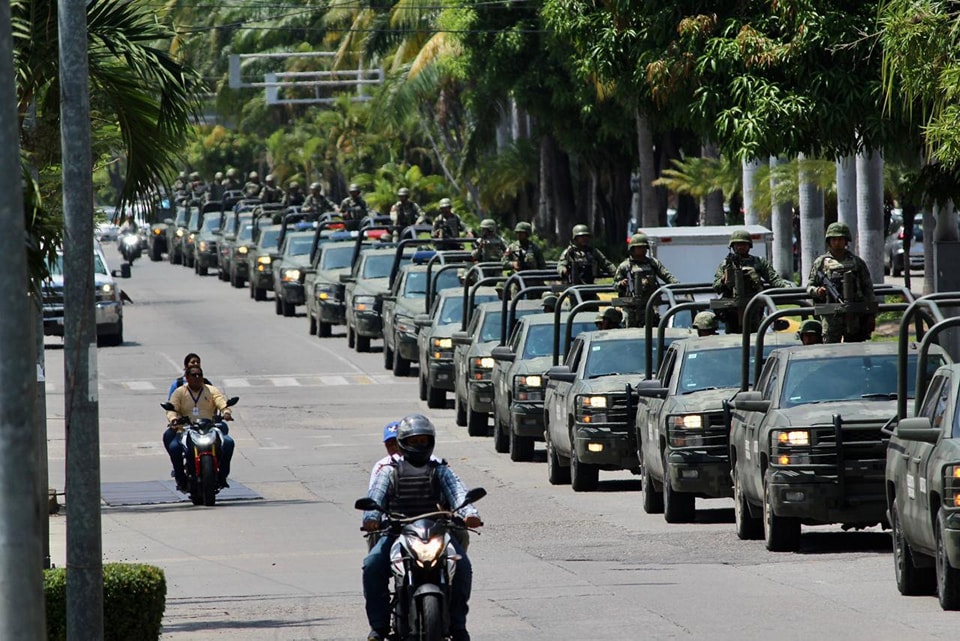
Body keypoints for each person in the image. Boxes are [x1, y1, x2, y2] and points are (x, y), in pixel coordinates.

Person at [362, 414, 482, 641]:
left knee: (463, 567)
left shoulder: (441, 470)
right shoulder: (388, 472)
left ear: (431, 442)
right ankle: (378, 627)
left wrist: (470, 514)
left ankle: (458, 626)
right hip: (398, 533)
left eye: (423, 441)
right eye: (414, 441)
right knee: (372, 565)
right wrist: (371, 517)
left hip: (437, 533)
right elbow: (375, 499)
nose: (419, 445)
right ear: (403, 443)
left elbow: (459, 495)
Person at [164, 365, 236, 490]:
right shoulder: (179, 392)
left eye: (199, 375)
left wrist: (226, 412)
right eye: (193, 375)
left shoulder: (211, 390)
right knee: (174, 447)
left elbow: (221, 402)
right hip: (186, 429)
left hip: (210, 428)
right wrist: (174, 419)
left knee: (229, 443)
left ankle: (222, 476)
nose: (197, 378)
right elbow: (172, 408)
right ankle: (181, 479)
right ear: (187, 377)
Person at [806, 222, 876, 343]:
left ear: (846, 240)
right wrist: (818, 291)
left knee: (855, 350)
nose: (837, 243)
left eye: (840, 239)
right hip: (831, 315)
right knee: (830, 351)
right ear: (829, 241)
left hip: (854, 314)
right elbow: (809, 286)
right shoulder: (821, 262)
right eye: (834, 239)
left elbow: (868, 289)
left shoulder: (856, 262)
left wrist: (871, 315)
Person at [712, 229, 791, 333]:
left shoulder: (758, 262)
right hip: (732, 309)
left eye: (744, 244)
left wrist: (787, 288)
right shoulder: (725, 264)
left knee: (754, 337)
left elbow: (773, 279)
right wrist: (724, 280)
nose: (741, 247)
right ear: (732, 246)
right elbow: (716, 287)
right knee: (733, 339)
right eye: (737, 244)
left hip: (754, 306)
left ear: (749, 246)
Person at [614, 232, 679, 327]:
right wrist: (621, 284)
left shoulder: (653, 263)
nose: (642, 250)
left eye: (644, 247)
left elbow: (666, 275)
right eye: (639, 247)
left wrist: (677, 286)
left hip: (649, 305)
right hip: (630, 306)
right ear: (632, 249)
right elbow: (615, 285)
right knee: (628, 327)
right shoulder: (625, 266)